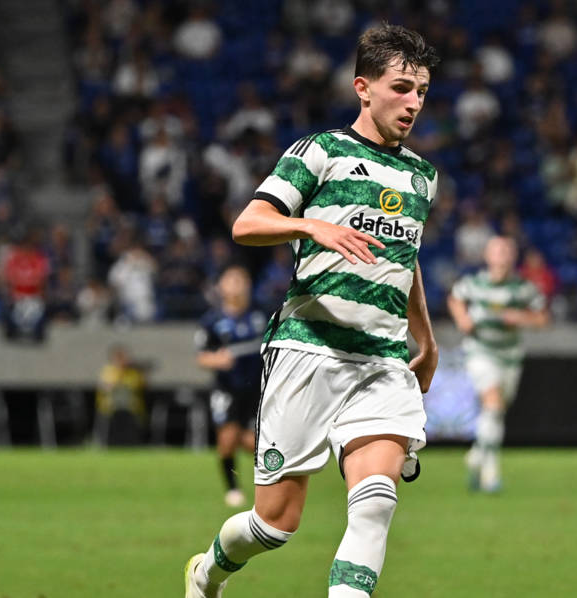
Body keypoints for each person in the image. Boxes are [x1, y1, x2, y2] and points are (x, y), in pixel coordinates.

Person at [184, 24, 440, 598]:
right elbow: (248, 223)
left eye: (422, 91)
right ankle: (206, 574)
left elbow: (406, 259)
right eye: (402, 88)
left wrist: (426, 338)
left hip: (381, 360)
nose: (414, 103)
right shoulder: (320, 152)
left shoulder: (422, 177)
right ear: (363, 88)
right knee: (274, 523)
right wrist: (310, 226)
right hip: (308, 349)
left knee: (375, 503)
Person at [447, 236, 549, 493]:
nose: (502, 256)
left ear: (513, 257)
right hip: (480, 352)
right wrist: (462, 319)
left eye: (506, 251)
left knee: (496, 412)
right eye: (497, 251)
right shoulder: (474, 283)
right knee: (492, 405)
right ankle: (490, 474)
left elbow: (542, 318)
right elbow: (455, 298)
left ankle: (477, 455)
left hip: (510, 357)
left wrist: (520, 317)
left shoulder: (523, 288)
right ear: (487, 256)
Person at [195, 265, 267, 507]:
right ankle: (233, 489)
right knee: (227, 439)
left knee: (252, 442)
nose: (236, 285)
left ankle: (267, 488)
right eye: (230, 280)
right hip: (226, 388)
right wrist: (217, 359)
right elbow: (202, 356)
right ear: (221, 286)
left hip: (257, 389)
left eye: (240, 279)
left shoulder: (261, 315)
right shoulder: (212, 321)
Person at [94, 343, 148, 446]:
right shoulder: (108, 371)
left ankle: (134, 443)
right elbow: (105, 387)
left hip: (131, 408)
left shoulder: (133, 373)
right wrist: (119, 376)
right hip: (110, 408)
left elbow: (140, 387)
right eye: (121, 358)